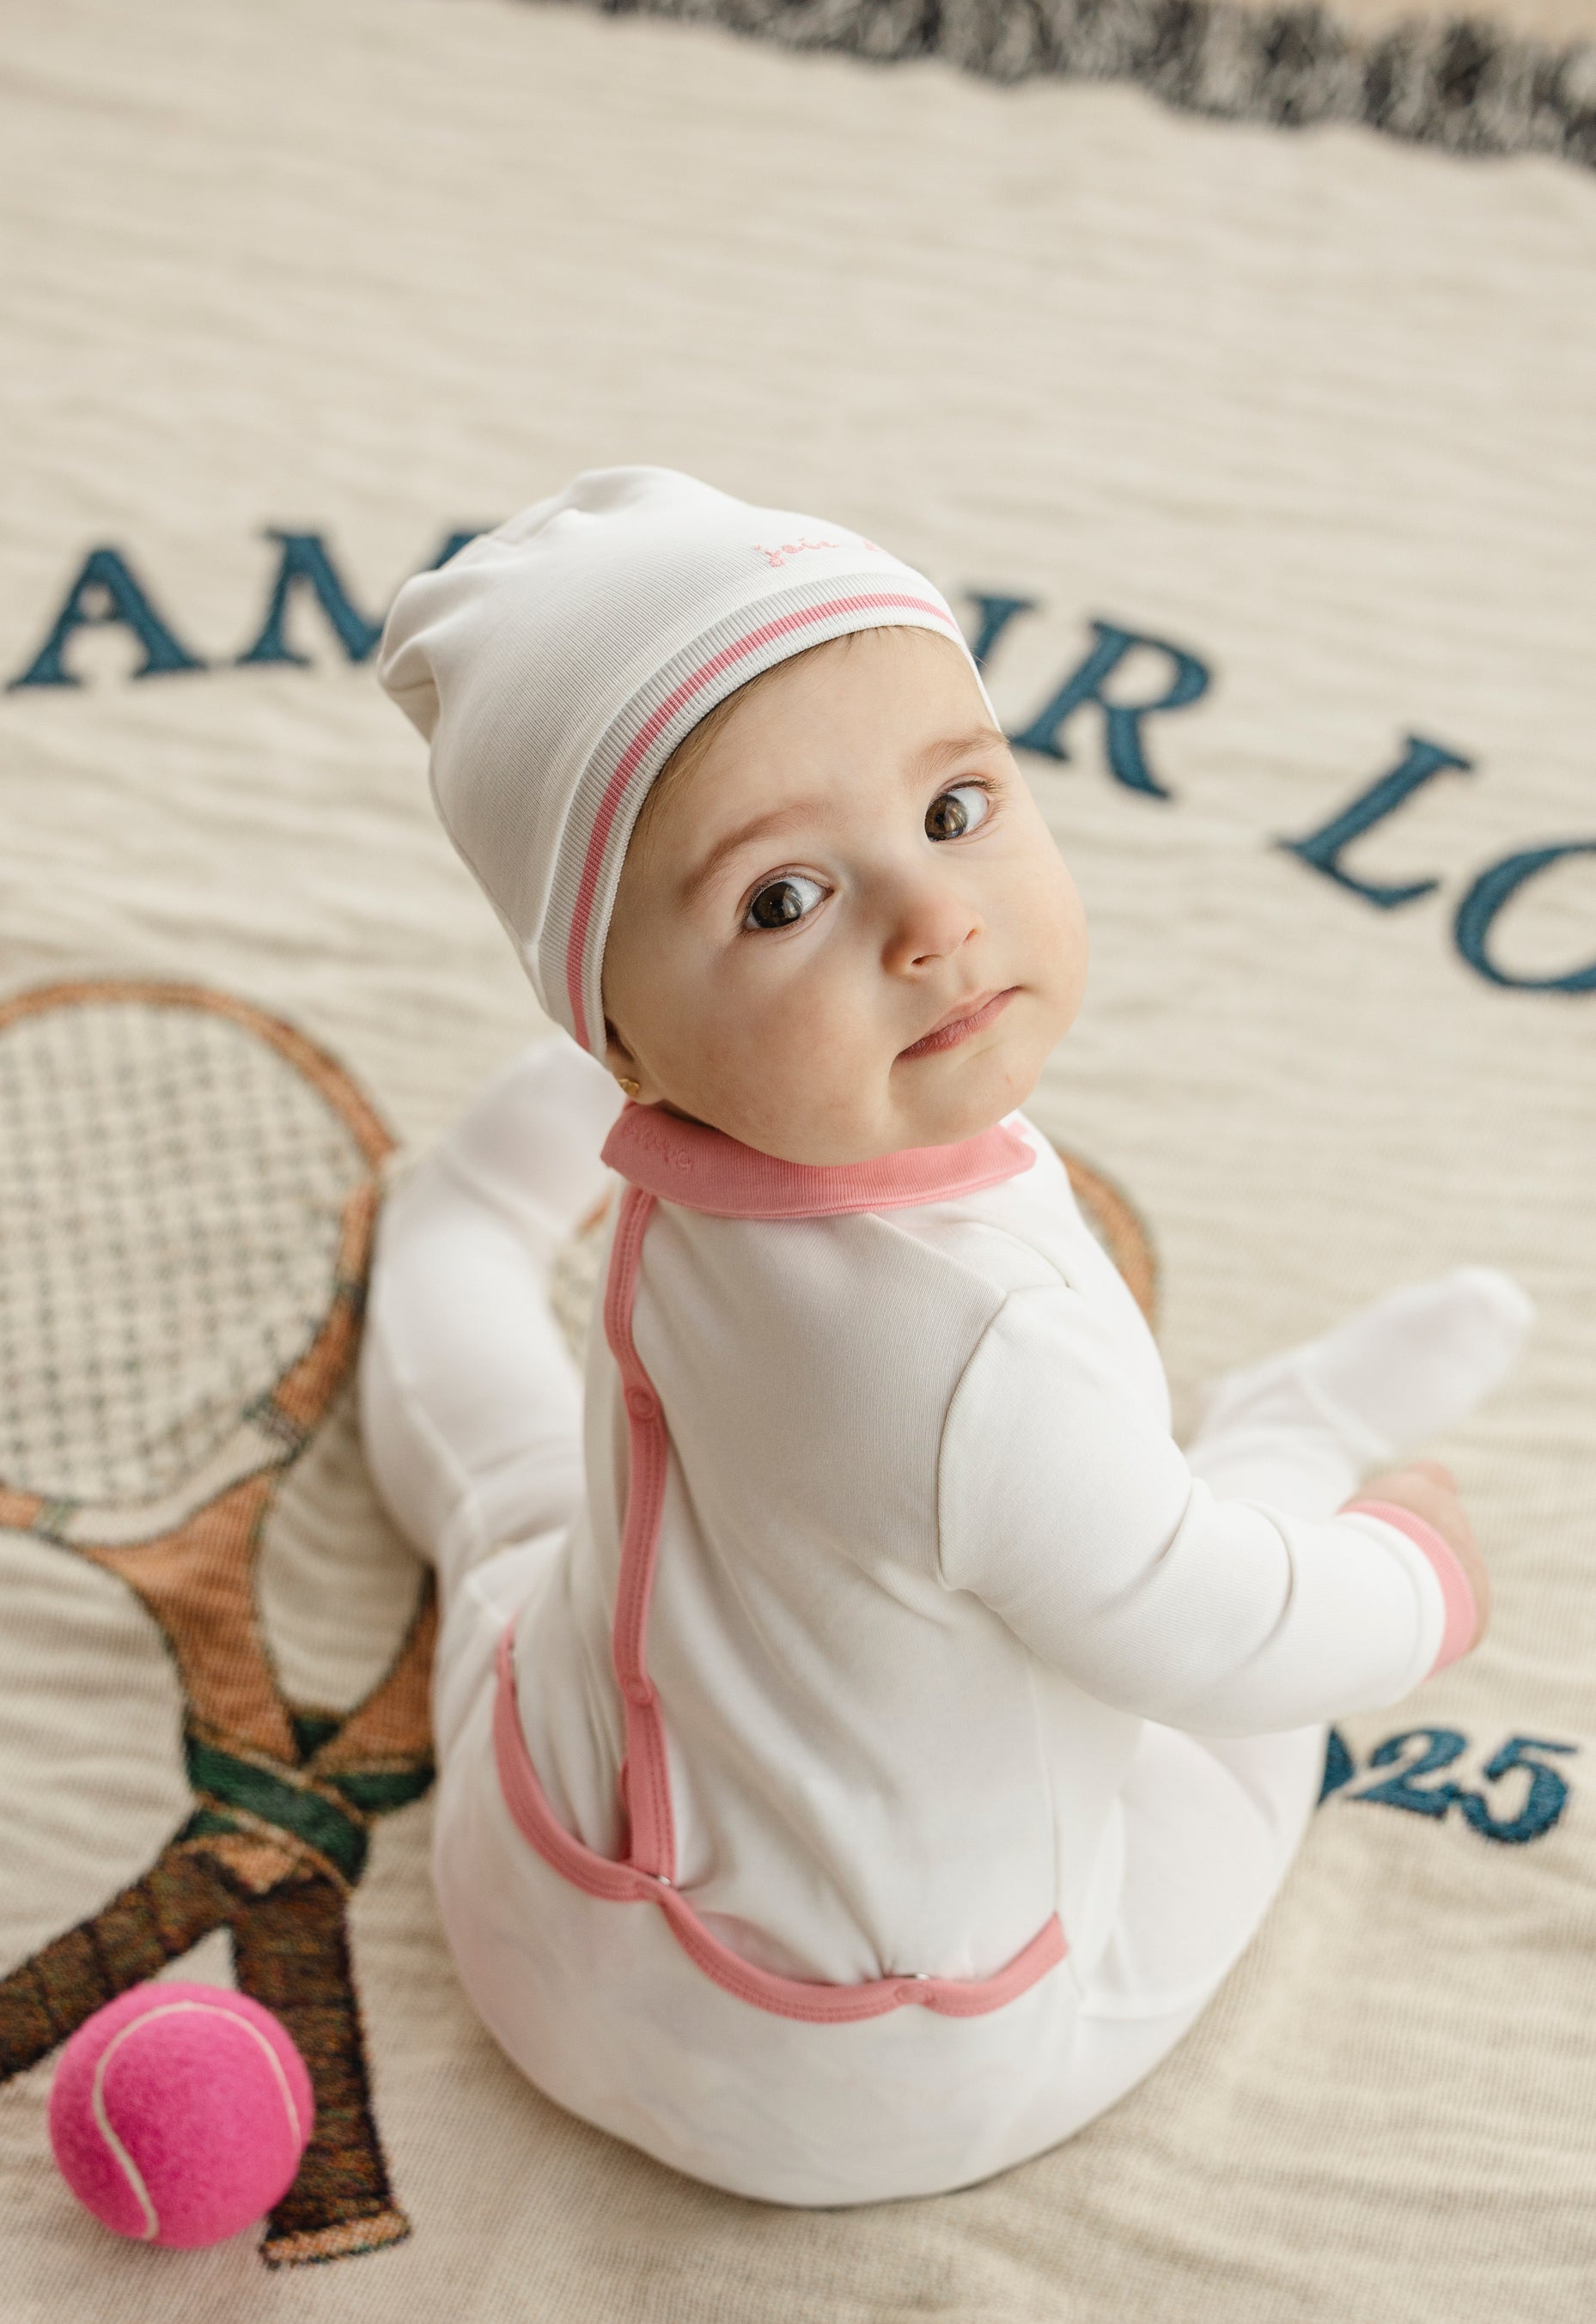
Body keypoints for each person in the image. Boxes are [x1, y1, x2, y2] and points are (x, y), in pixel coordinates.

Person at [360, 466, 1530, 2205]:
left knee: (514, 1504)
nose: (932, 922)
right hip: (867, 2074)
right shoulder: (979, 1341)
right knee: (1229, 1748)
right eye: (782, 901)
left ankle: (454, 1223)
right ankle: (1290, 1437)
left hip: (530, 1876)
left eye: (956, 806)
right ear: (627, 1042)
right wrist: (1415, 1582)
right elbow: (1214, 1639)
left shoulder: (706, 1140)